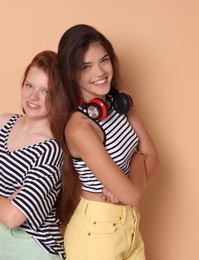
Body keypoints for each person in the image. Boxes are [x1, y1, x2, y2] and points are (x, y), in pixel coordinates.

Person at [57, 24, 159, 259]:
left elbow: (153, 156)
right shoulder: (79, 128)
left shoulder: (120, 99)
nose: (100, 72)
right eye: (86, 66)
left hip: (129, 225)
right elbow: (133, 193)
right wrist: (136, 165)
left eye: (104, 60)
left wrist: (131, 175)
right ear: (71, 74)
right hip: (96, 231)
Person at [0, 50, 70, 260]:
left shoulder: (52, 149)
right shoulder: (3, 124)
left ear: (58, 96)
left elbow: (12, 217)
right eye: (29, 85)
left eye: (45, 91)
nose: (33, 96)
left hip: (33, 250)